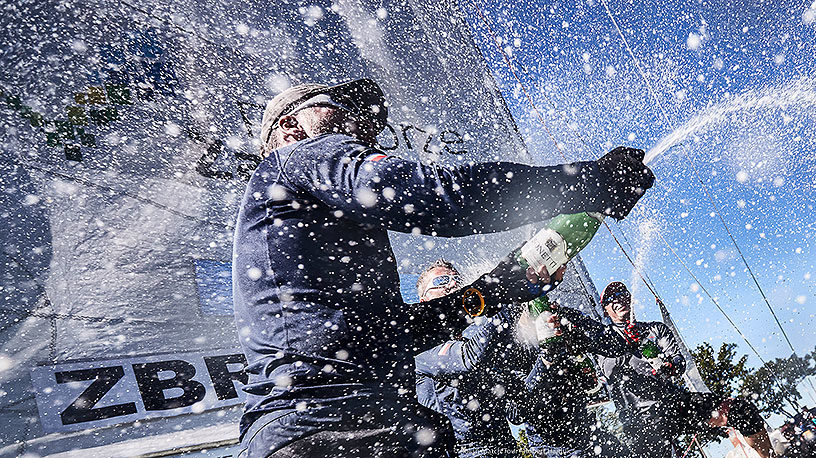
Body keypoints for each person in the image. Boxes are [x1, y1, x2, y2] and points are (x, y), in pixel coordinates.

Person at [232, 79, 655, 457]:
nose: (359, 124)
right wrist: (587, 182)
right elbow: (437, 196)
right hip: (325, 429)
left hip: (346, 426)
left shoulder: (320, 236)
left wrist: (499, 286)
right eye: (338, 108)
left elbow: (397, 334)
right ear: (290, 126)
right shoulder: (295, 158)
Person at [594, 282, 775, 458]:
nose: (619, 299)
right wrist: (628, 344)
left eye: (623, 294)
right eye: (611, 298)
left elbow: (678, 361)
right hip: (640, 419)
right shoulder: (603, 341)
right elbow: (609, 371)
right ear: (605, 310)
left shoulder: (655, 329)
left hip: (673, 403)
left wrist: (671, 366)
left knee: (741, 411)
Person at [414, 260, 534, 458]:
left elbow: (518, 412)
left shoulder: (479, 340)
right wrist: (508, 297)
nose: (452, 283)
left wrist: (548, 358)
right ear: (424, 300)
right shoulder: (422, 348)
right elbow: (471, 357)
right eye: (442, 280)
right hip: (464, 452)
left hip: (506, 448)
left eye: (457, 279)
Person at [512, 300, 629, 457]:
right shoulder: (514, 348)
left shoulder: (563, 330)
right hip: (552, 447)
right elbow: (515, 414)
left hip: (587, 433)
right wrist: (545, 360)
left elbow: (616, 346)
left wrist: (570, 315)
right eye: (531, 303)